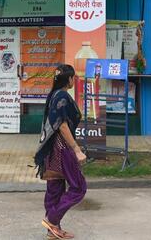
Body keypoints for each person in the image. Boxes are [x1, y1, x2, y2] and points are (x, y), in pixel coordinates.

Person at [34, 64, 87, 239]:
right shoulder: (62, 96)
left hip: (51, 149)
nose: (75, 80)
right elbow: (63, 125)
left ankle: (52, 231)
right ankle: (52, 219)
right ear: (69, 79)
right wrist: (76, 149)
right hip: (61, 147)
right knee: (78, 187)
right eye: (73, 77)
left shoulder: (54, 95)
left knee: (55, 188)